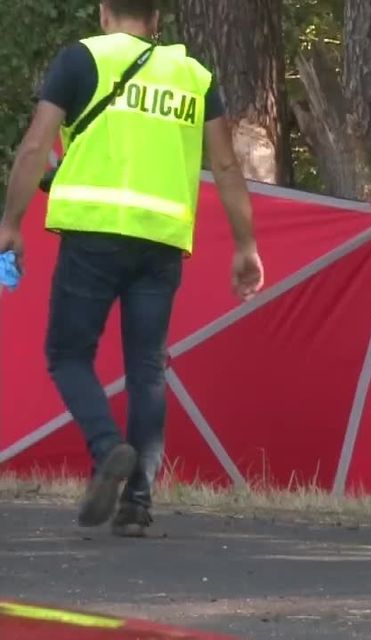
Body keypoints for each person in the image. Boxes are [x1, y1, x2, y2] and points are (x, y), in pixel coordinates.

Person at [0, 0, 264, 537]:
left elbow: (34, 148)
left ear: (103, 12)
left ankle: (106, 449)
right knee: (146, 368)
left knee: (68, 354)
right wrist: (246, 245)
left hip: (93, 235)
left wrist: (10, 223)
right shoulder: (194, 76)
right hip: (161, 244)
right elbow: (228, 166)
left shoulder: (80, 60)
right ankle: (137, 504)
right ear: (158, 19)